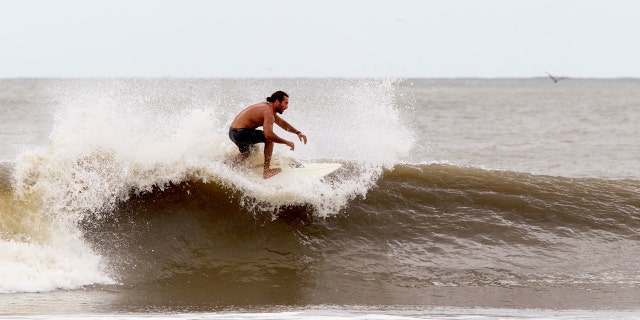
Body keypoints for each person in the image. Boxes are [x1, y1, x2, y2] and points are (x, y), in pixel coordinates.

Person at [228, 91, 307, 179]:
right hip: (241, 133)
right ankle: (267, 171)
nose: (287, 107)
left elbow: (282, 123)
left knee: (247, 152)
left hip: (233, 133)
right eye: (286, 103)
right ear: (277, 102)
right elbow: (269, 135)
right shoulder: (268, 113)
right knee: (268, 139)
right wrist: (286, 142)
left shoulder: (267, 107)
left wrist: (298, 132)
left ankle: (230, 167)